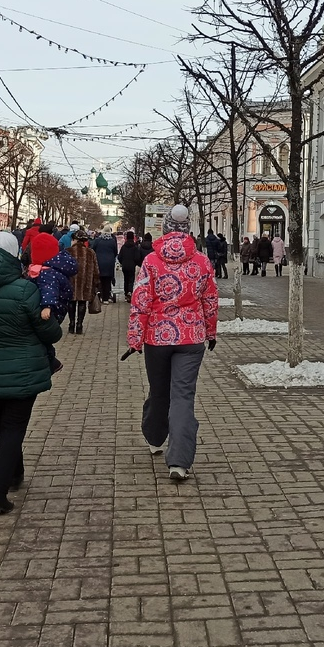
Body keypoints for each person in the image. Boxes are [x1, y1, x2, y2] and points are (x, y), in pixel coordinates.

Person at [0, 231, 63, 515]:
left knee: (2, 422)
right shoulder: (24, 289)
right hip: (23, 370)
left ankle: (14, 474)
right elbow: (51, 332)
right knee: (14, 427)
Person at [127, 204, 218, 483]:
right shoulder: (202, 262)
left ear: (165, 228)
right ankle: (179, 462)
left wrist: (135, 339)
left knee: (159, 391)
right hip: (191, 339)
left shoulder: (151, 262)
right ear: (187, 228)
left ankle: (155, 438)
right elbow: (210, 301)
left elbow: (140, 301)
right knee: (183, 397)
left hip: (157, 338)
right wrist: (211, 333)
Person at [24, 232, 75, 375]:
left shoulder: (47, 273)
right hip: (56, 308)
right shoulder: (51, 268)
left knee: (42, 337)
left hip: (51, 310)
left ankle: (51, 362)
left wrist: (47, 306)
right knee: (43, 337)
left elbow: (49, 289)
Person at [68, 230, 98, 334]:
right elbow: (96, 270)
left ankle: (71, 324)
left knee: (71, 302)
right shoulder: (90, 252)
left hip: (71, 281)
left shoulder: (68, 251)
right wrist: (96, 282)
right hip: (86, 282)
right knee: (82, 302)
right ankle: (79, 324)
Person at [90, 227, 119, 303]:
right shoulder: (112, 241)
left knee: (100, 279)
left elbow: (93, 250)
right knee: (107, 280)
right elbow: (115, 251)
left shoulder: (98, 240)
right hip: (109, 263)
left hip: (99, 262)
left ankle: (100, 295)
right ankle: (106, 298)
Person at [118, 231, 141, 300]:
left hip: (125, 266)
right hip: (132, 266)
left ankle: (126, 294)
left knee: (126, 279)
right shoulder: (135, 247)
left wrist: (122, 262)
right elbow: (137, 257)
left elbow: (119, 257)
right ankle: (130, 292)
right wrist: (136, 263)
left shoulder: (124, 247)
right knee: (131, 279)